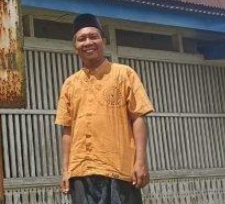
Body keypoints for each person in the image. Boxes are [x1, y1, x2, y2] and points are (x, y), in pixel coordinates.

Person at [55, 14, 154, 204]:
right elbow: (67, 129)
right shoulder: (69, 84)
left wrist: (140, 161)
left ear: (104, 41)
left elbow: (138, 118)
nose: (88, 42)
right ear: (75, 46)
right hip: (81, 174)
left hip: (119, 171)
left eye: (93, 36)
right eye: (81, 39)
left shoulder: (124, 74)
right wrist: (66, 170)